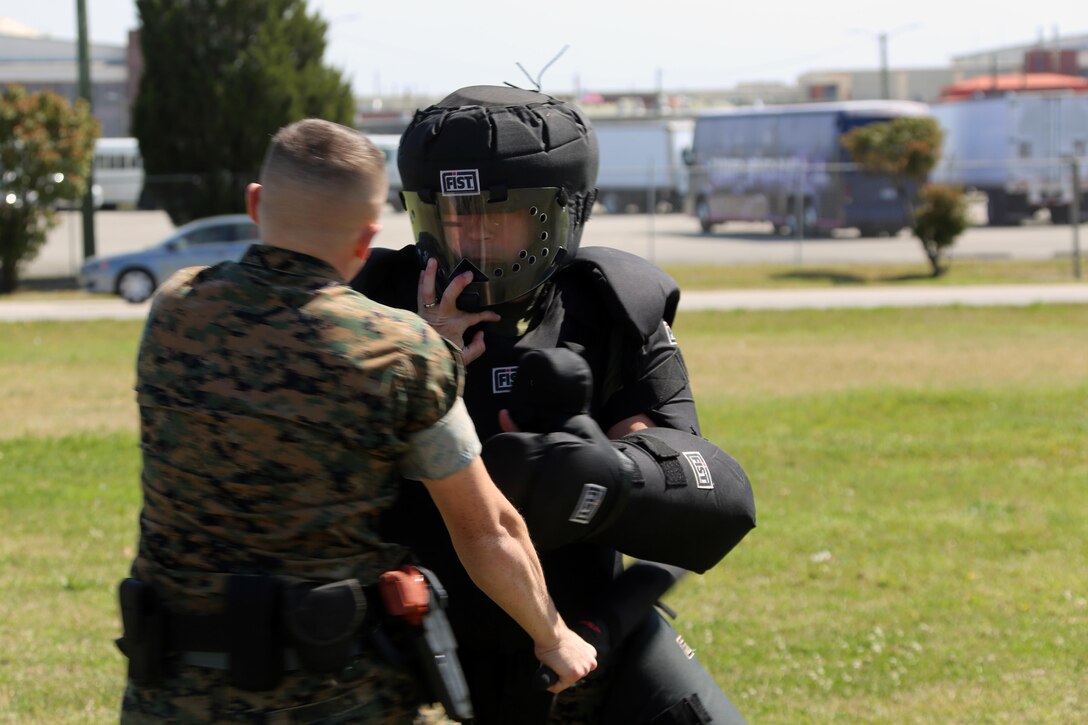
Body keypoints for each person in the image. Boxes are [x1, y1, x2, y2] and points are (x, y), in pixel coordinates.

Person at [116, 117, 596, 724]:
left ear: (255, 203)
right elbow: (486, 530)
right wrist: (553, 636)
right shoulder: (400, 351)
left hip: (167, 694)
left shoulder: (173, 308)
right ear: (367, 239)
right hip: (329, 698)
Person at [352, 86, 756, 724]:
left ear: (561, 215)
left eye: (497, 216)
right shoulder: (372, 310)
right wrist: (422, 371)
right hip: (411, 641)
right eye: (450, 216)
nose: (469, 239)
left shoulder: (609, 310)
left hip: (583, 632)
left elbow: (711, 506)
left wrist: (607, 479)